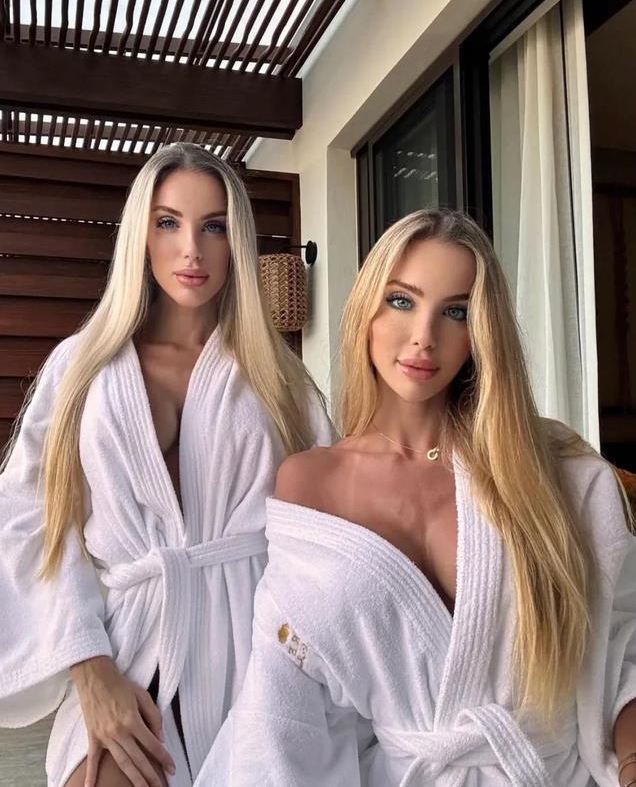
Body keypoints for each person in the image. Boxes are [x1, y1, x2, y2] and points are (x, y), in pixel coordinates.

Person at [196, 209, 636, 786]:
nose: (424, 336)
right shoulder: (310, 483)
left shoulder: (555, 472)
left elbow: (622, 644)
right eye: (402, 301)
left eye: (456, 312)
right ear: (366, 311)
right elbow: (283, 703)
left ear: (481, 334)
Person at [0, 143, 332, 787]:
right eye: (168, 223)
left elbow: (323, 528)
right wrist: (89, 668)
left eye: (214, 227)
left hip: (254, 654)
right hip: (127, 650)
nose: (192, 250)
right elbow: (30, 516)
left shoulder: (279, 379)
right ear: (140, 236)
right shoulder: (83, 366)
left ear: (236, 242)